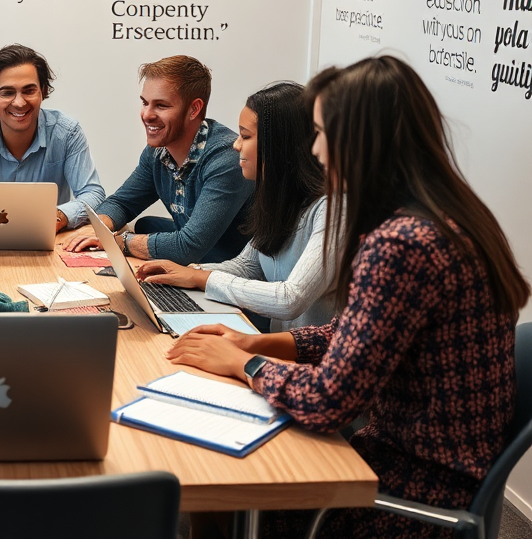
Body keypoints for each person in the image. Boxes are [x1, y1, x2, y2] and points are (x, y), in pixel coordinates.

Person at [166, 56, 529, 538]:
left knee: (224, 486)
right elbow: (353, 330)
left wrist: (244, 365)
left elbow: (328, 400)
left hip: (405, 495)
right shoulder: (448, 218)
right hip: (435, 473)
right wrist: (259, 343)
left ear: (359, 141)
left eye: (321, 134)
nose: (315, 150)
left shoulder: (400, 244)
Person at [136, 82, 333, 332]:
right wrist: (186, 273)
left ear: (278, 145)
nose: (236, 145)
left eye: (246, 136)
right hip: (279, 345)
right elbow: (246, 266)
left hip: (310, 354)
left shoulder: (331, 209)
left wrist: (202, 278)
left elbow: (290, 299)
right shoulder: (278, 199)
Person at [64, 55, 252, 263]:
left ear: (194, 109)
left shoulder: (227, 158)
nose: (147, 115)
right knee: (146, 225)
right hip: (197, 252)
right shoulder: (157, 152)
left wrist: (118, 242)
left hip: (229, 266)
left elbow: (188, 247)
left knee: (148, 235)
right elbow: (121, 203)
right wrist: (96, 231)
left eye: (161, 106)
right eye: (145, 103)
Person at [0, 44, 105, 232]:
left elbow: (93, 194)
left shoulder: (67, 132)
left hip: (50, 242)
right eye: (7, 93)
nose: (20, 103)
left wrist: (59, 216)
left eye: (29, 91)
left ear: (43, 91)